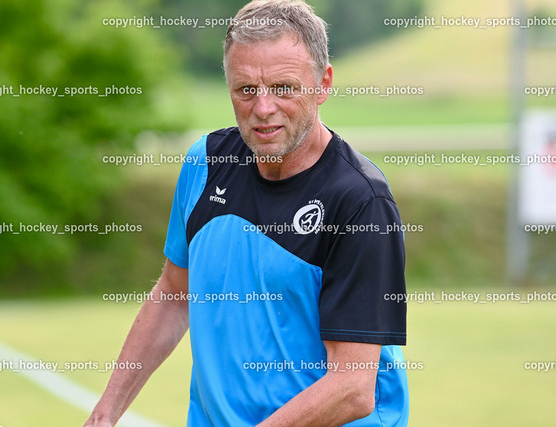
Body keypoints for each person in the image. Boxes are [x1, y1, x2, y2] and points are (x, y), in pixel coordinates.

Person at [84, 0, 409, 425]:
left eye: (284, 88)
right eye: (246, 89)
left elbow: (353, 388)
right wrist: (104, 415)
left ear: (323, 83)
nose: (263, 108)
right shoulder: (205, 163)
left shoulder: (361, 202)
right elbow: (174, 295)